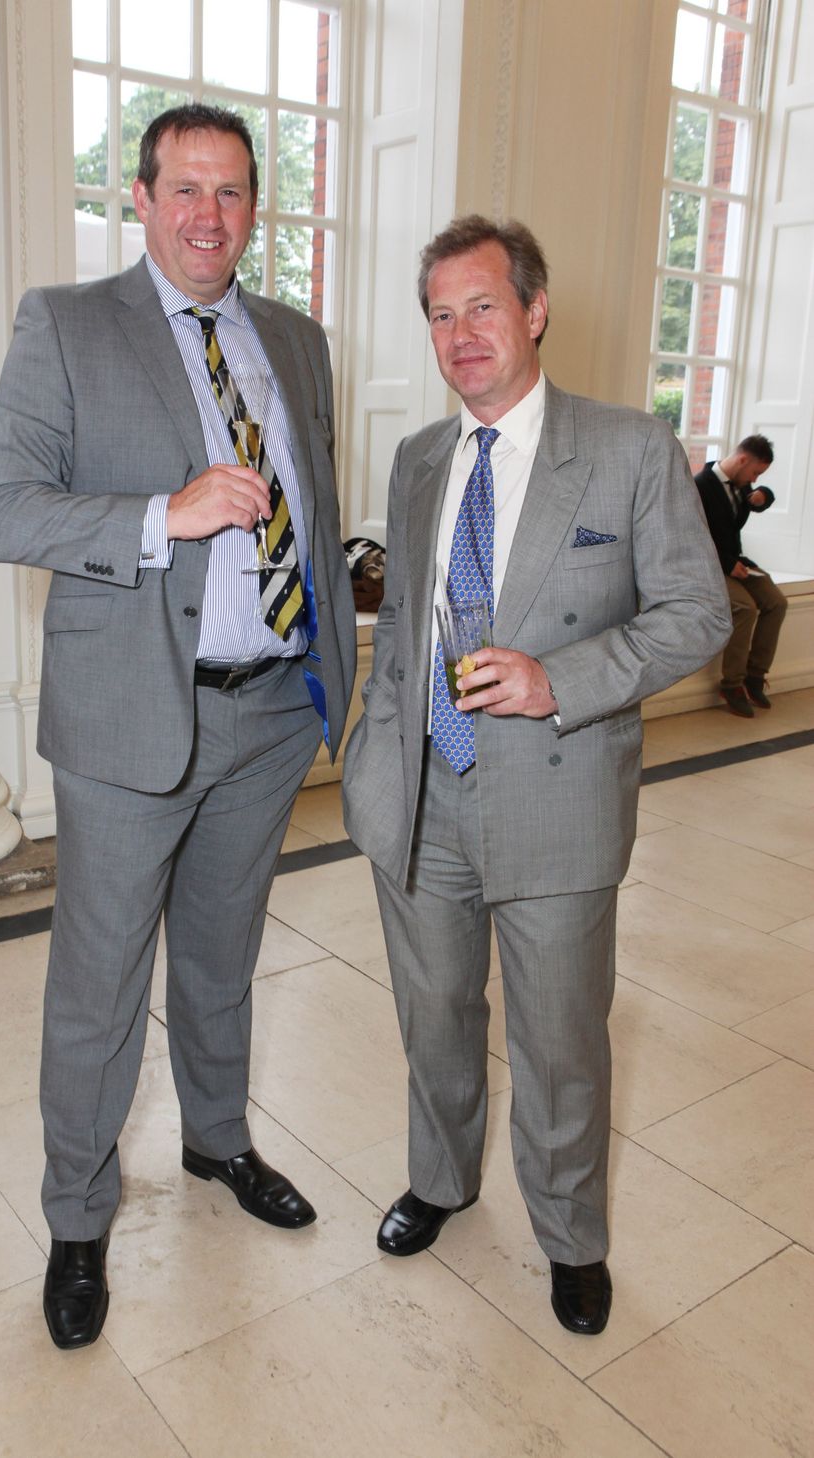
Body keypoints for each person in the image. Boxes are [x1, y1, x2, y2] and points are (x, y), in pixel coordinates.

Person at [0, 103, 356, 1351]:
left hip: (264, 716)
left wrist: (329, 682)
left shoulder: (295, 342)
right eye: (183, 189)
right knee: (98, 984)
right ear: (136, 197)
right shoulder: (68, 324)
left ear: (255, 207)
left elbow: (318, 501)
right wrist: (162, 516)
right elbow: (5, 510)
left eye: (232, 192)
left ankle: (216, 1142)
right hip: (130, 715)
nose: (208, 216)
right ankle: (79, 1220)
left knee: (220, 959)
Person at [341, 215, 730, 1337]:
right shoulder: (420, 458)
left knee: (559, 1040)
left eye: (481, 308)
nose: (459, 335)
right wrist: (376, 758)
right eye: (439, 314)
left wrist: (557, 678)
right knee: (432, 1015)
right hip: (419, 794)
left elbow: (697, 612)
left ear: (534, 311)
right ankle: (440, 1181)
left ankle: (568, 1235)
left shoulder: (623, 449)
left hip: (554, 796)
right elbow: (405, 621)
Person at [693, 437, 786, 717]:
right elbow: (694, 536)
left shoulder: (742, 484)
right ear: (743, 460)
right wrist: (726, 564)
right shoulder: (701, 486)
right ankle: (731, 683)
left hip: (737, 562)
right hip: (709, 565)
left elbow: (757, 500)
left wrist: (764, 494)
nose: (755, 479)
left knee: (776, 602)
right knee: (744, 607)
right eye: (756, 473)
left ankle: (755, 675)